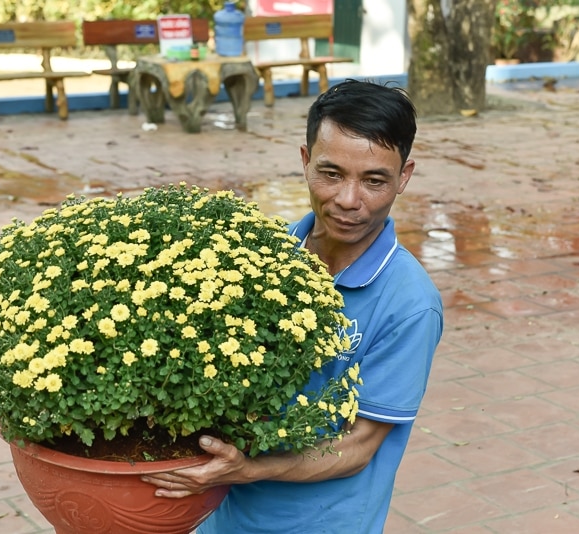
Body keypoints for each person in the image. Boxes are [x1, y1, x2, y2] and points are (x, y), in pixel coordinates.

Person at [142, 79, 444, 533]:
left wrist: (248, 469)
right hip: (217, 514)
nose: (347, 200)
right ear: (305, 162)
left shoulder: (411, 304)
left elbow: (360, 445)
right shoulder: (259, 254)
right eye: (331, 173)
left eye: (374, 180)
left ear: (404, 176)